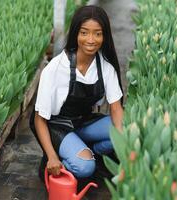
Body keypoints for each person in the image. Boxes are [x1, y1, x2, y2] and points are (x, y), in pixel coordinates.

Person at [30, 5, 123, 179]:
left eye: (98, 33)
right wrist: (52, 157)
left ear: (105, 36)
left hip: (84, 123)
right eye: (84, 32)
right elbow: (39, 119)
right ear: (76, 34)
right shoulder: (55, 69)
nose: (91, 39)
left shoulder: (105, 67)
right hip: (57, 126)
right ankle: (65, 157)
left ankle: (88, 148)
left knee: (126, 130)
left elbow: (116, 109)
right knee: (85, 167)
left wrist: (124, 145)